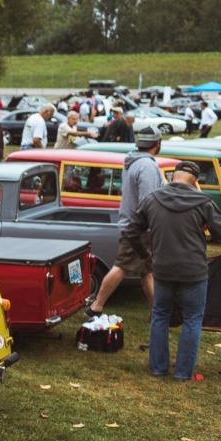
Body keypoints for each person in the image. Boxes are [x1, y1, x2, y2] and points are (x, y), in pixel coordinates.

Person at [125, 161, 221, 380]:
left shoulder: (152, 199)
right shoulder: (203, 201)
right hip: (194, 271)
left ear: (172, 176)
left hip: (163, 269)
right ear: (195, 181)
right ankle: (184, 373)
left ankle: (158, 369)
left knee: (160, 316)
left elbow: (131, 230)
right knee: (193, 319)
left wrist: (145, 255)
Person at [86, 129, 164, 317]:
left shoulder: (132, 162)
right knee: (122, 266)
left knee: (147, 270)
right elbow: (147, 201)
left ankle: (157, 312)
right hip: (139, 228)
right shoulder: (148, 166)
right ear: (158, 143)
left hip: (132, 223)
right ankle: (96, 306)